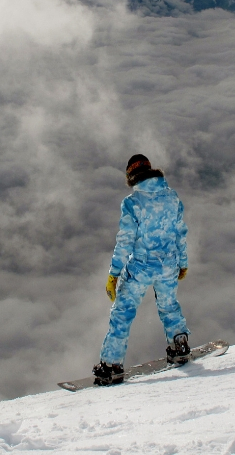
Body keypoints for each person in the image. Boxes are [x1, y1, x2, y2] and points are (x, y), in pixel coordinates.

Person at [93, 154, 191, 386]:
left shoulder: (132, 203)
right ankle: (180, 346)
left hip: (141, 267)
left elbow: (125, 241)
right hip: (168, 265)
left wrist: (114, 274)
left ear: (131, 176)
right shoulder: (172, 197)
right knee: (169, 306)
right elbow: (180, 232)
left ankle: (111, 365)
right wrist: (183, 262)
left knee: (122, 314)